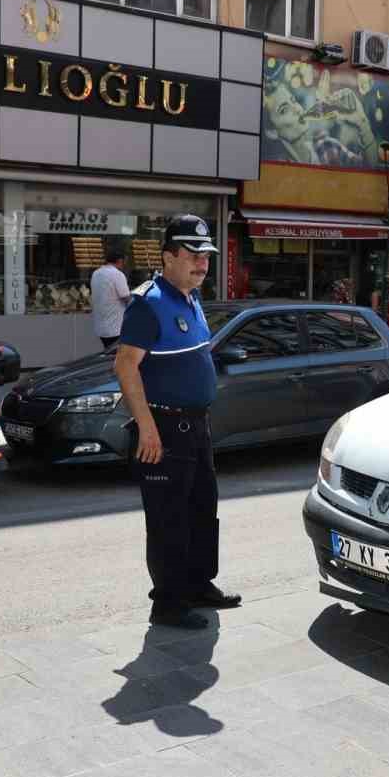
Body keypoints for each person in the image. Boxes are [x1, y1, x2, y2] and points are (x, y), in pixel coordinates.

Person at [113, 215, 240, 630]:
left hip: (196, 426)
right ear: (167, 256)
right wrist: (146, 427)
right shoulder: (147, 303)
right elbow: (126, 366)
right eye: (192, 255)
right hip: (165, 429)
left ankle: (199, 584)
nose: (202, 264)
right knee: (169, 519)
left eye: (206, 256)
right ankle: (168, 602)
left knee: (202, 509)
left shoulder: (189, 297)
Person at [90, 248, 130, 349]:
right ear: (120, 261)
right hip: (116, 327)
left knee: (109, 354)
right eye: (124, 261)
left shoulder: (96, 273)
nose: (124, 265)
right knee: (118, 358)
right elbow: (127, 298)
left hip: (101, 327)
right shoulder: (117, 274)